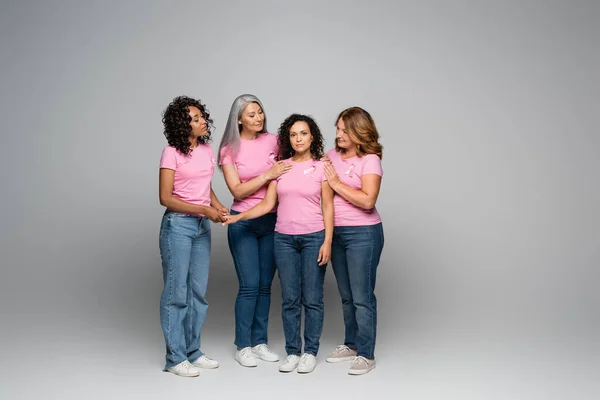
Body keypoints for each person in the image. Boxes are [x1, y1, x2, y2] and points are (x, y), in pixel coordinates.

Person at [224, 114, 333, 374]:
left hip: (313, 236)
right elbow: (266, 205)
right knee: (290, 298)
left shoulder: (322, 167)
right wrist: (237, 217)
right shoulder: (280, 167)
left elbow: (328, 206)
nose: (298, 138)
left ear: (312, 136)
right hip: (282, 238)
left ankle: (310, 351)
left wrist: (328, 240)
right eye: (293, 134)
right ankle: (293, 351)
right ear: (288, 139)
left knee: (313, 299)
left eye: (303, 133)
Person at [217, 94, 292, 367]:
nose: (258, 118)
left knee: (264, 286)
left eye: (260, 112)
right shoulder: (229, 149)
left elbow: (290, 168)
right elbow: (236, 190)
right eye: (251, 114)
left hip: (272, 220)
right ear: (239, 119)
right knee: (249, 285)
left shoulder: (275, 141)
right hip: (243, 222)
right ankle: (243, 345)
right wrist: (266, 175)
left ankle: (260, 342)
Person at [158, 96, 229, 377]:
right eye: (196, 118)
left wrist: (217, 204)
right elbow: (165, 198)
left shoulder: (206, 149)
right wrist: (203, 209)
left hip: (201, 227)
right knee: (177, 294)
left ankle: (193, 351)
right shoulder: (170, 153)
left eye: (202, 116)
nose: (203, 121)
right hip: (178, 225)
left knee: (198, 293)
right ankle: (175, 358)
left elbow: (203, 184)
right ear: (182, 124)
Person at [322, 107, 384, 375]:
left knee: (362, 296)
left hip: (364, 234)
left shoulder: (369, 160)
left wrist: (336, 184)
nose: (338, 134)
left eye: (344, 129)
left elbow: (368, 200)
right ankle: (351, 344)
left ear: (359, 130)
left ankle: (367, 353)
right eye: (337, 128)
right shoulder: (330, 156)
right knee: (346, 296)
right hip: (336, 234)